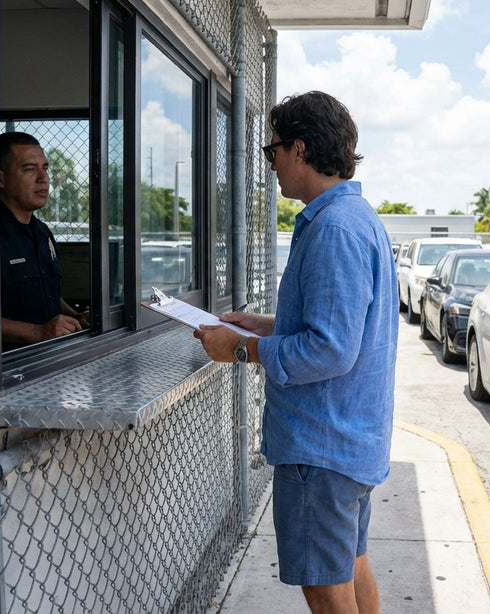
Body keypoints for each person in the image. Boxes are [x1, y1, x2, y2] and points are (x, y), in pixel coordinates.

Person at [194, 91, 398, 614]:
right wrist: (260, 324)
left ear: (300, 149)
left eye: (273, 151)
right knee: (350, 566)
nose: (272, 165)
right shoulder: (355, 218)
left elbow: (329, 350)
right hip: (346, 443)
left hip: (321, 449)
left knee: (326, 589)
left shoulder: (333, 229)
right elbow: (336, 326)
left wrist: (240, 349)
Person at [0, 131, 86, 348]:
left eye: (45, 168)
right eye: (29, 169)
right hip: (6, 366)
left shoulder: (42, 232)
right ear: (1, 178)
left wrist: (76, 317)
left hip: (48, 357)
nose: (43, 178)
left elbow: (48, 295)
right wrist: (37, 332)